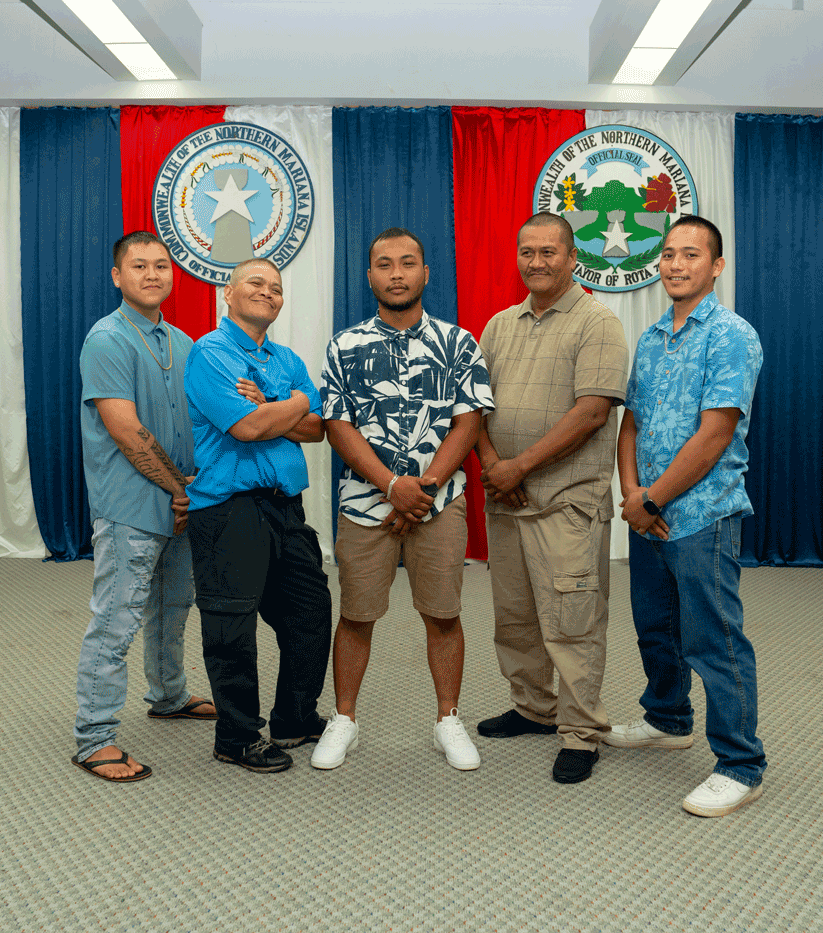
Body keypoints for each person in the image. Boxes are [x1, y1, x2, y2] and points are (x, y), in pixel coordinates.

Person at [313, 228, 495, 771]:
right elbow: (337, 424)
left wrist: (425, 488)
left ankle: (448, 719)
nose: (397, 274)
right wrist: (393, 487)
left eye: (408, 263)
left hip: (440, 501)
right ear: (369, 276)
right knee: (356, 615)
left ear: (425, 273)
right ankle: (344, 719)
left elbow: (469, 422)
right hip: (364, 504)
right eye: (385, 264)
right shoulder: (344, 346)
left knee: (443, 614)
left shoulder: (459, 342)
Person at [611, 214, 766, 817]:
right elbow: (631, 424)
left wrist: (651, 499)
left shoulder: (731, 336)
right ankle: (668, 718)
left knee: (713, 639)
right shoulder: (652, 338)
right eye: (669, 254)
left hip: (702, 514)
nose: (676, 264)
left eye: (691, 254)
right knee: (655, 626)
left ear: (716, 266)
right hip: (647, 514)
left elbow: (715, 434)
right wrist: (633, 495)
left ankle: (740, 764)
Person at [475, 212, 629, 784]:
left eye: (548, 252)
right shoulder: (498, 326)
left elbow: (592, 413)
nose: (536, 262)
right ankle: (533, 709)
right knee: (515, 617)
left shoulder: (598, 322)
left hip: (567, 502)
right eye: (527, 252)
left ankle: (581, 732)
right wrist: (494, 466)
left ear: (572, 258)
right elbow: (474, 407)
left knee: (572, 622)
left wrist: (517, 467)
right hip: (507, 499)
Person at [72, 231, 216, 784]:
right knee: (117, 620)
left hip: (183, 501)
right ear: (117, 276)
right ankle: (94, 737)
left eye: (161, 265)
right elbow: (127, 431)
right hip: (131, 505)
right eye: (139, 266)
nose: (152, 274)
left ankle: (169, 695)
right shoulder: (107, 340)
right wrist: (179, 489)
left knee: (173, 606)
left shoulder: (182, 342)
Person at [184, 257, 333, 774]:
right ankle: (237, 737)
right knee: (232, 625)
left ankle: (294, 718)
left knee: (310, 610)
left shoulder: (285, 358)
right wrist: (295, 402)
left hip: (285, 507)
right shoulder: (210, 353)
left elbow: (317, 429)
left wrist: (272, 401)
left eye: (276, 287)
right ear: (228, 293)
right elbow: (247, 427)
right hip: (228, 509)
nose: (267, 292)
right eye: (255, 283)